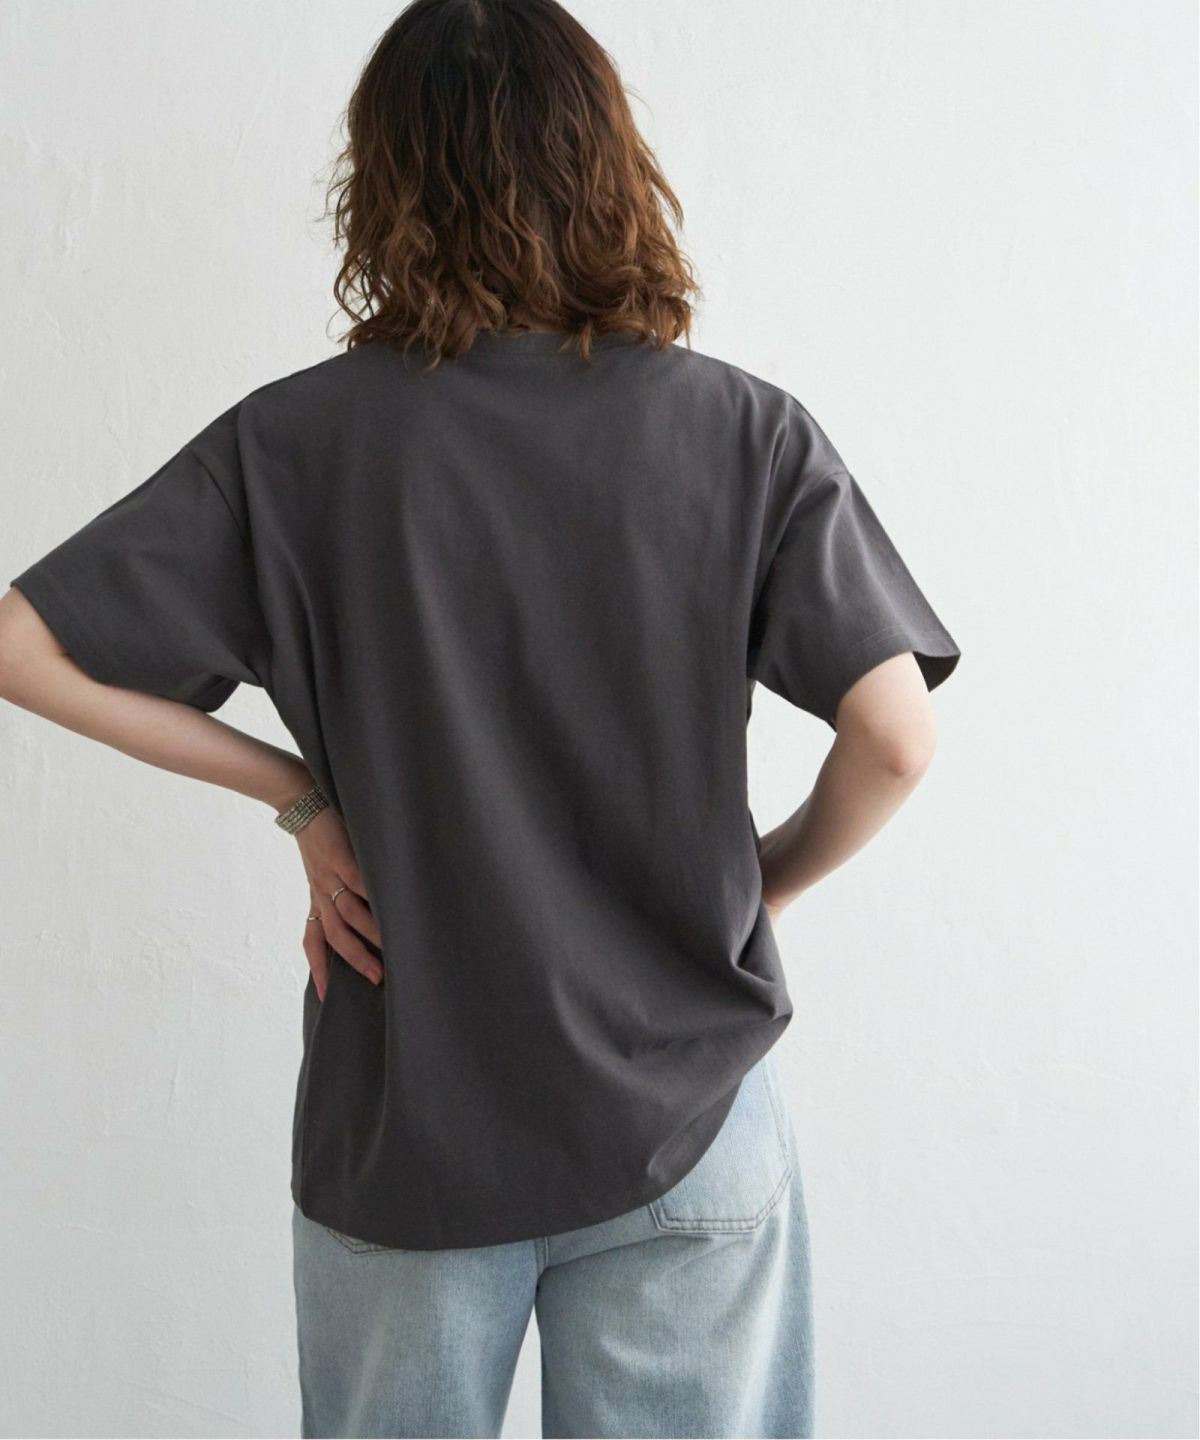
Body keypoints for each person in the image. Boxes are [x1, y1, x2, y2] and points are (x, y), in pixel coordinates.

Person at [0, 0, 962, 1436]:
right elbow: (894, 735)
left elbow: (22, 646)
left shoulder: (295, 443)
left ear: (385, 185)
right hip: (684, 1111)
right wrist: (758, 886)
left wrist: (302, 800)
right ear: (609, 165)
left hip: (413, 1124)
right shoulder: (742, 430)